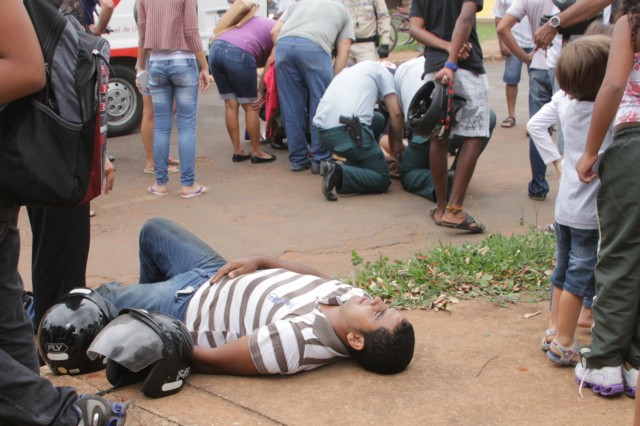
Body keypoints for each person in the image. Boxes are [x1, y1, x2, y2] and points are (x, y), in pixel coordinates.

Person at [0, 1, 128, 423]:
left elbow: (29, 69)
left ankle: (61, 414)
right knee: (10, 315)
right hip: (28, 159)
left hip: (37, 154)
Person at [95, 217, 415, 376]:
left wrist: (154, 337)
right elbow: (311, 275)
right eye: (384, 306)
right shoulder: (353, 298)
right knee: (154, 229)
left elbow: (210, 361)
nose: (376, 301)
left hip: (187, 305)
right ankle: (138, 306)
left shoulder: (298, 343)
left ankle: (136, 317)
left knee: (105, 296)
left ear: (356, 340)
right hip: (217, 271)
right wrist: (262, 261)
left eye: (377, 314)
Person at [27, 0, 117, 330]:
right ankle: (57, 331)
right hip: (58, 144)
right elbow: (74, 84)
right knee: (60, 255)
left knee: (52, 250)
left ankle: (50, 329)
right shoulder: (50, 14)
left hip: (47, 141)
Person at [527, 35, 612, 367]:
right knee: (580, 274)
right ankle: (564, 342)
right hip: (590, 213)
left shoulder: (562, 100)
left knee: (562, 271)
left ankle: (553, 330)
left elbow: (535, 125)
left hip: (564, 207)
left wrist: (558, 162)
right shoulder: (608, 110)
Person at [574, 0, 640, 398]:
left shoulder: (630, 23)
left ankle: (604, 364)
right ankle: (635, 362)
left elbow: (614, 85)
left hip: (633, 146)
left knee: (619, 255)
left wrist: (590, 150)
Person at [409, 0, 491, 233]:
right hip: (462, 68)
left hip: (435, 68)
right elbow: (464, 18)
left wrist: (446, 49)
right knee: (475, 135)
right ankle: (454, 210)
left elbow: (415, 29)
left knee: (439, 136)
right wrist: (452, 62)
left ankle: (441, 208)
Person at [387, 56, 496, 203]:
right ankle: (458, 174)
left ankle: (444, 184)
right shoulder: (445, 60)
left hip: (429, 127)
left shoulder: (398, 74)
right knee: (489, 118)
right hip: (467, 120)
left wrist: (397, 144)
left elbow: (397, 115)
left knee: (408, 171)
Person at [137, 0, 211, 199]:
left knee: (161, 125)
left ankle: (160, 184)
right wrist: (204, 66)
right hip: (183, 62)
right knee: (186, 125)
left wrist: (141, 67)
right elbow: (191, 30)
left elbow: (143, 33)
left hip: (156, 64)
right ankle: (188, 185)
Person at [272, 0, 354, 173]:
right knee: (321, 105)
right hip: (315, 48)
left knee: (291, 107)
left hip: (283, 46)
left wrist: (287, 49)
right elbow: (344, 47)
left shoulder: (299, 4)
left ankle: (298, 160)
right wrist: (334, 81)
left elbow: (274, 32)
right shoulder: (342, 10)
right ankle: (320, 160)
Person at [312, 61, 403, 201]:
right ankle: (339, 171)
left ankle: (361, 161)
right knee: (383, 178)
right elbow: (396, 113)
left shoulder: (351, 70)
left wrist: (379, 157)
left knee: (377, 118)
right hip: (346, 131)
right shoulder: (384, 73)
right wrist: (397, 145)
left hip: (323, 133)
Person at [496, 0, 555, 202]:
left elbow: (502, 27)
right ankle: (572, 185)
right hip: (569, 65)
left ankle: (538, 185)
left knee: (539, 128)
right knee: (569, 124)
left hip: (539, 65)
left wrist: (524, 57)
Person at [209, 15, 277, 164]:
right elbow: (270, 61)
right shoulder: (280, 29)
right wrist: (260, 91)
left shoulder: (260, 21)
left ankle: (238, 150)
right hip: (239, 52)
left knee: (230, 105)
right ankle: (256, 152)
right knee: (251, 105)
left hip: (215, 49)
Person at [493, 0, 533, 129]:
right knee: (511, 79)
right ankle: (511, 115)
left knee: (538, 82)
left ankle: (536, 119)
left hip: (535, 43)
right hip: (512, 42)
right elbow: (498, 17)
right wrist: (502, 44)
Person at [337, 0, 392, 64]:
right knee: (343, 73)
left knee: (368, 72)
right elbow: (334, 19)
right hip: (345, 46)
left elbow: (383, 17)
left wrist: (385, 43)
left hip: (367, 46)